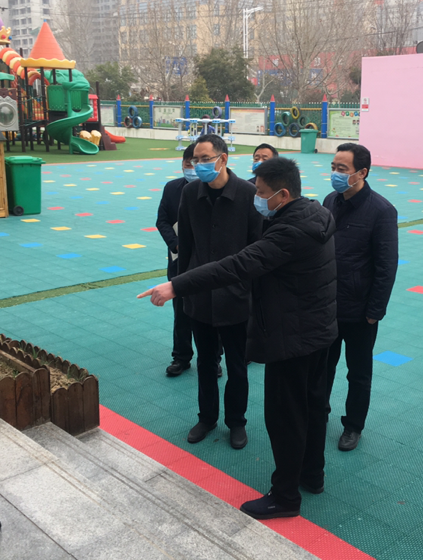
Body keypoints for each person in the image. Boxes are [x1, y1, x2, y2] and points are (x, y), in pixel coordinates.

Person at [138, 157, 337, 520]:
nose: (257, 199)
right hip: (318, 331)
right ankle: (312, 474)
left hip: (291, 338)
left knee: (285, 417)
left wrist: (175, 285)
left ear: (283, 194)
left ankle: (285, 497)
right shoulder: (316, 214)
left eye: (261, 193)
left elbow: (238, 265)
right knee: (311, 409)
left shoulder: (289, 232)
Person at [175, 133, 261, 449]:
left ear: (223, 159)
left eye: (205, 159)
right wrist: (183, 287)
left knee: (237, 366)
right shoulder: (190, 194)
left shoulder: (249, 194)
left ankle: (236, 422)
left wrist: (250, 292)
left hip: (236, 298)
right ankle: (207, 417)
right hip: (200, 297)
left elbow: (257, 249)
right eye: (195, 160)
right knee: (206, 363)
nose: (199, 165)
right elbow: (186, 246)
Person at [323, 143, 398, 451]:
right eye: (333, 167)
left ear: (362, 173)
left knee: (359, 373)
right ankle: (319, 411)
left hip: (360, 310)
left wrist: (375, 310)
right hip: (328, 305)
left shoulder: (381, 210)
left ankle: (353, 426)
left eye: (342, 169)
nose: (335, 174)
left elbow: (386, 265)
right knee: (322, 366)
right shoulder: (330, 201)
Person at [155, 144, 222, 379]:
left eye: (202, 161)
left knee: (212, 311)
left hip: (208, 261)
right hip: (179, 260)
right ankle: (181, 357)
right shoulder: (172, 188)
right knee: (181, 310)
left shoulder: (216, 189)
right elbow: (162, 220)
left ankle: (214, 359)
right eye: (190, 163)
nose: (194, 168)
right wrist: (176, 245)